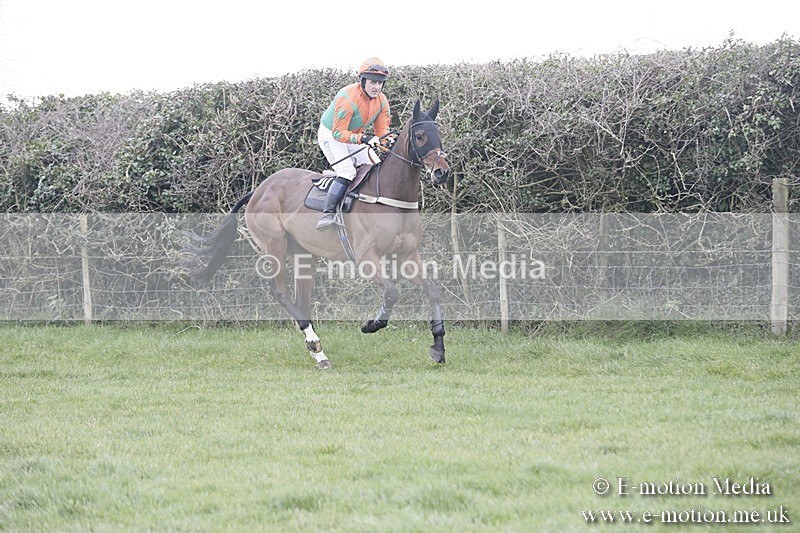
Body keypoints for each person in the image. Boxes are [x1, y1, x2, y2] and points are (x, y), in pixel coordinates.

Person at [316, 57, 392, 230]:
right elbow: (338, 133)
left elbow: (382, 133)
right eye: (373, 82)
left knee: (376, 165)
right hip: (331, 135)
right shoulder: (347, 96)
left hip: (354, 136)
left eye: (381, 83)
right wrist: (364, 139)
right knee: (347, 171)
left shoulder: (382, 101)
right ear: (363, 80)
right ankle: (328, 214)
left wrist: (389, 141)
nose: (377, 87)